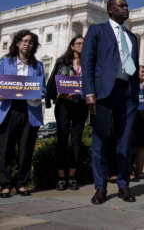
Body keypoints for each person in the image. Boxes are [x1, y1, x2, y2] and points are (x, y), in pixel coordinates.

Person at [81, 0, 139, 204]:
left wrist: (136, 93)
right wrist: (89, 92)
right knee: (100, 141)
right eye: (121, 6)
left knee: (124, 143)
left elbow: (134, 66)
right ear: (110, 10)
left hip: (128, 94)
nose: (126, 8)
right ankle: (100, 187)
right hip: (104, 92)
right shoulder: (97, 30)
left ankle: (123, 185)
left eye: (126, 5)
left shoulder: (132, 37)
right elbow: (87, 62)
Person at [0, 30, 46, 198]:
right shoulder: (5, 62)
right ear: (18, 43)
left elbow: (44, 88)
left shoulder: (38, 65)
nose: (28, 44)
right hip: (9, 109)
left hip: (30, 110)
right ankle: (5, 184)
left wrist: (41, 93)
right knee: (6, 149)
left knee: (26, 148)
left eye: (31, 42)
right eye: (25, 41)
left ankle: (21, 183)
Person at [45, 35, 88, 191]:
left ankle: (73, 176)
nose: (81, 46)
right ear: (72, 46)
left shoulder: (88, 63)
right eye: (78, 43)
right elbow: (53, 82)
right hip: (64, 105)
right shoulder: (61, 62)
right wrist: (58, 95)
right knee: (62, 140)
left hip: (81, 105)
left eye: (84, 43)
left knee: (76, 141)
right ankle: (61, 177)